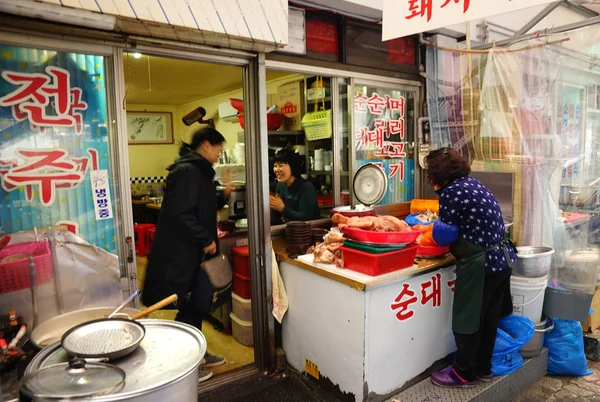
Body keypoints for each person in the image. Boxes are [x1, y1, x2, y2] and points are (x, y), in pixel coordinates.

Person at [142, 127, 230, 383]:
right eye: (217, 146)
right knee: (190, 304)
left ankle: (197, 353)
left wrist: (222, 197)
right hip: (181, 253)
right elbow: (180, 213)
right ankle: (186, 363)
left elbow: (200, 205)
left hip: (191, 252)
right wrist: (205, 239)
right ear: (205, 145)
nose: (220, 151)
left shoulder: (197, 171)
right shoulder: (188, 171)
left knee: (197, 302)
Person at [422, 148, 516, 388]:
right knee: (488, 320)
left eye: (430, 175)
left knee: (469, 320)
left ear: (436, 176)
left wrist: (431, 228)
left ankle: (463, 373)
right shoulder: (471, 183)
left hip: (481, 265)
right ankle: (483, 368)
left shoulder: (451, 192)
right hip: (502, 261)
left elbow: (446, 235)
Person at [269, 148, 320, 222]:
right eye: (275, 166)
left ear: (293, 166)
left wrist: (282, 208)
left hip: (306, 231)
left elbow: (306, 218)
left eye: (280, 165)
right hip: (288, 229)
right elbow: (278, 216)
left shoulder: (306, 187)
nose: (277, 169)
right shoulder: (280, 186)